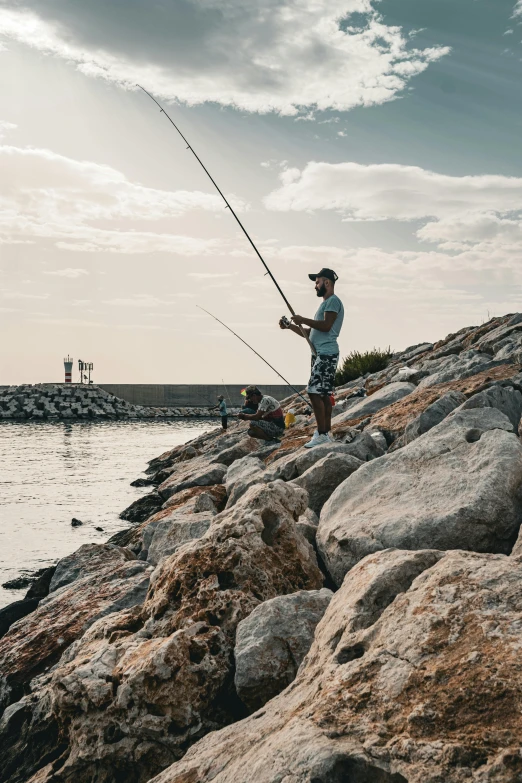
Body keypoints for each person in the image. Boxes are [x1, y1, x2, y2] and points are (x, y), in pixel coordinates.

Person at [279, 267, 344, 448]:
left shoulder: (332, 301)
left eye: (317, 281)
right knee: (322, 393)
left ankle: (322, 434)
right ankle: (326, 432)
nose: (315, 285)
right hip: (319, 354)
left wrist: (303, 319)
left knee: (314, 391)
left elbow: (326, 326)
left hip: (326, 354)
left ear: (327, 283)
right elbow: (311, 333)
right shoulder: (325, 304)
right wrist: (290, 326)